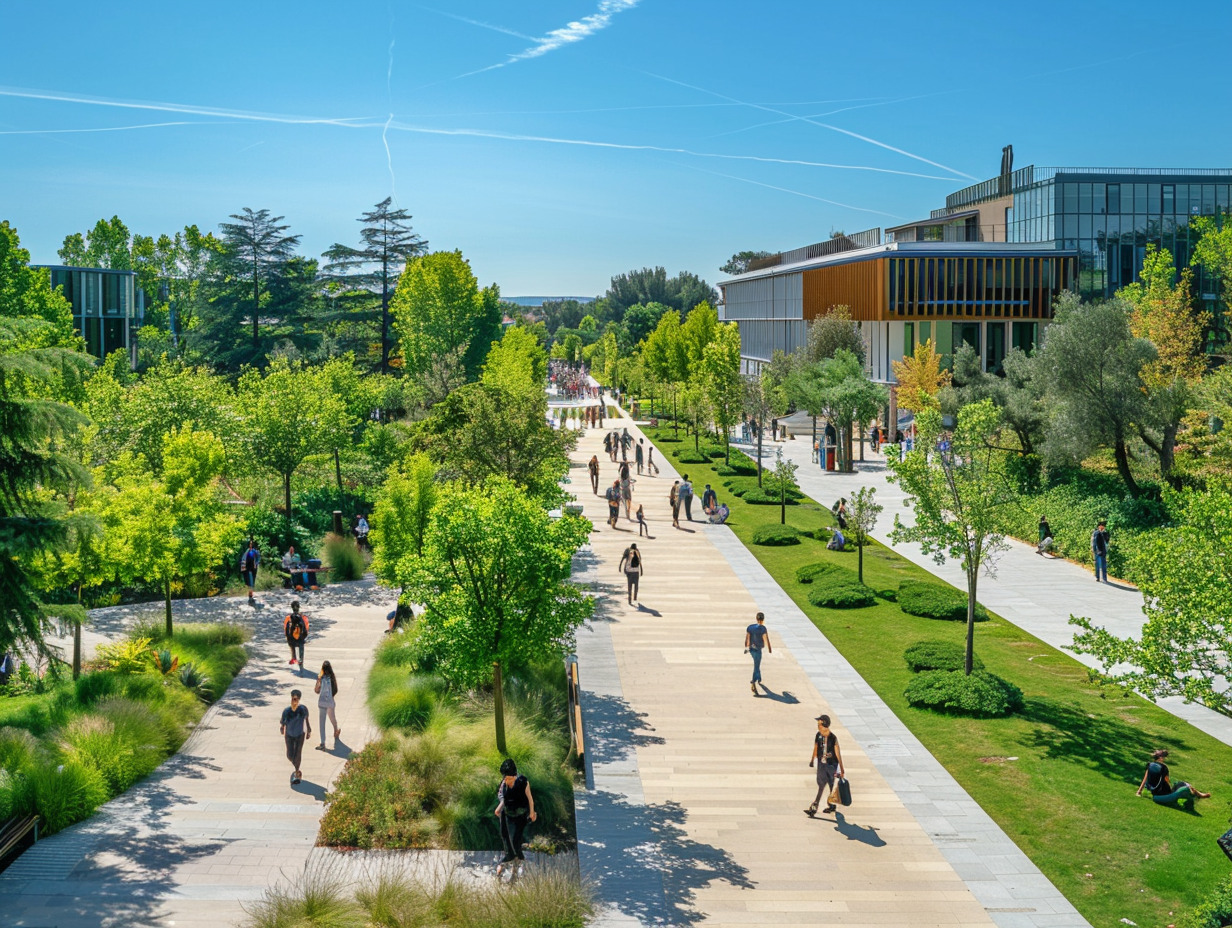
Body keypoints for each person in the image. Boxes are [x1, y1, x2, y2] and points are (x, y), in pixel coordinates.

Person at [494, 758, 537, 878]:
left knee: (515, 840)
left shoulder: (523, 782)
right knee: (505, 838)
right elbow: (504, 799)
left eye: (508, 777)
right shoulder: (504, 784)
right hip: (507, 814)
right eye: (504, 777)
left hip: (520, 815)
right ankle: (511, 860)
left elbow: (530, 799)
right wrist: (499, 809)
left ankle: (520, 861)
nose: (505, 780)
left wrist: (532, 813)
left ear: (514, 775)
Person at [1137, 749, 1211, 804]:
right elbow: (1167, 781)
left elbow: (1145, 779)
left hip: (1154, 792)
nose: (1164, 759)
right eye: (1164, 757)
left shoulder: (1150, 765)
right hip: (1163, 794)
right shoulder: (1164, 768)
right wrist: (1171, 791)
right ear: (1160, 758)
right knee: (1184, 785)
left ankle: (1199, 794)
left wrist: (1139, 791)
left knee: (1182, 785)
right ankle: (1199, 795)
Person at [806, 713, 845, 817]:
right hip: (821, 764)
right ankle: (820, 806)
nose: (818, 727)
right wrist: (812, 759)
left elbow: (838, 753)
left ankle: (820, 806)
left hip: (831, 765)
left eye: (819, 725)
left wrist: (841, 768)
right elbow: (815, 747)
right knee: (821, 784)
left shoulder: (833, 738)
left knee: (830, 785)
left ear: (824, 725)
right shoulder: (818, 735)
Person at [280, 689, 311, 785]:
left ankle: (297, 772)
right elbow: (283, 721)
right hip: (289, 734)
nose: (295, 700)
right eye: (293, 698)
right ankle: (296, 768)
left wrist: (309, 730)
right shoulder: (287, 711)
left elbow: (306, 720)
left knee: (298, 754)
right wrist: (282, 727)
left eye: (297, 698)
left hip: (300, 734)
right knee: (290, 755)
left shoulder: (303, 709)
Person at [314, 660, 341, 750]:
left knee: (322, 723)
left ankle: (322, 743)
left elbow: (316, 691)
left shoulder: (320, 678)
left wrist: (318, 681)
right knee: (332, 718)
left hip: (322, 702)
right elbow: (336, 690)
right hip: (330, 702)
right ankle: (336, 730)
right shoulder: (332, 678)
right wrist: (331, 696)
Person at [744, 612, 772, 695]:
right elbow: (766, 639)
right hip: (758, 650)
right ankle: (753, 682)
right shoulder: (763, 629)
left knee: (757, 664)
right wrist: (769, 648)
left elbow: (747, 638)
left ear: (756, 618)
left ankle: (759, 678)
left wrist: (746, 647)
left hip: (751, 649)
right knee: (756, 666)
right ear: (763, 620)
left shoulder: (750, 627)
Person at [284, 601, 309, 667]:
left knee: (290, 641)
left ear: (292, 608)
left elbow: (285, 630)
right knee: (301, 644)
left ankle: (293, 658)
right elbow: (306, 629)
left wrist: (288, 638)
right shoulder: (303, 617)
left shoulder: (288, 618)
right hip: (300, 639)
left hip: (291, 640)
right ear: (299, 607)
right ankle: (301, 659)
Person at [240, 540, 260, 604]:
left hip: (253, 569)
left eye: (252, 543)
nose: (251, 544)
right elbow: (243, 559)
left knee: (252, 583)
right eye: (250, 543)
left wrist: (256, 564)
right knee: (250, 583)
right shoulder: (247, 551)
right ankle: (250, 596)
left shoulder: (255, 551)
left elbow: (258, 558)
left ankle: (250, 596)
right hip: (247, 569)